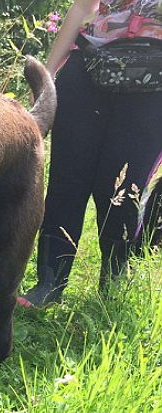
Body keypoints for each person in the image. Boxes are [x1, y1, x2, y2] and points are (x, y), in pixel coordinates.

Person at [18, 0, 162, 308]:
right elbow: (83, 8)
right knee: (67, 180)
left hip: (154, 84)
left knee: (124, 189)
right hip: (89, 68)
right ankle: (49, 283)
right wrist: (45, 79)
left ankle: (113, 290)